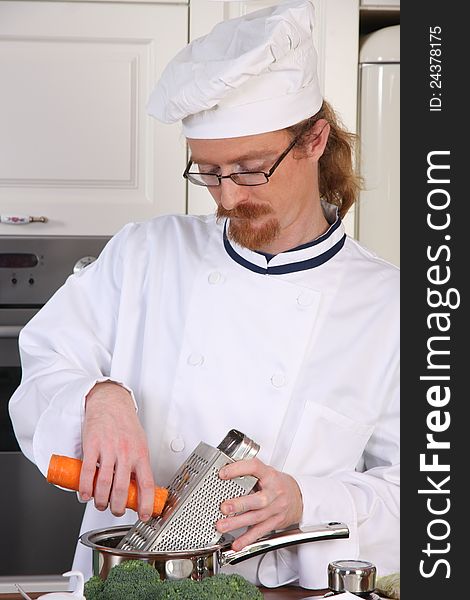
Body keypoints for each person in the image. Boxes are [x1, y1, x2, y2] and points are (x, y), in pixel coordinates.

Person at [9, 0, 399, 590]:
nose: (228, 197)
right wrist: (97, 396)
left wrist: (306, 500)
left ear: (315, 139)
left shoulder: (392, 306)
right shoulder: (145, 253)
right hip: (119, 584)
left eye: (249, 169)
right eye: (209, 172)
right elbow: (42, 371)